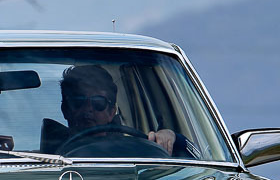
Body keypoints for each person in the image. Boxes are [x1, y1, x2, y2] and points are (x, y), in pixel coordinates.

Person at [41, 64, 193, 156]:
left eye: (98, 103)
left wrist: (172, 138)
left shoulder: (137, 152)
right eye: (78, 102)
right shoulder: (43, 161)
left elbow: (197, 159)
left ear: (111, 112)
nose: (88, 109)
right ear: (65, 109)